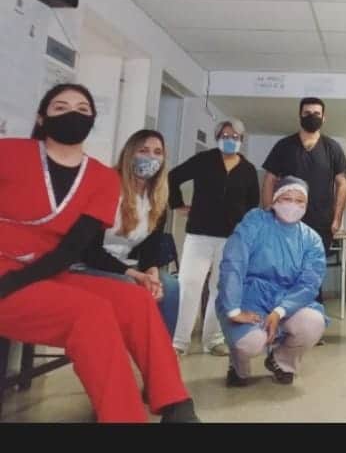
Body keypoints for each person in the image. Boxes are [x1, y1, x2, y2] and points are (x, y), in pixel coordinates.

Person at [0, 84, 198, 422]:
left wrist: (17, 281)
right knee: (91, 312)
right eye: (60, 107)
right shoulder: (10, 153)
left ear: (92, 120)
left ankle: (174, 402)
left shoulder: (102, 178)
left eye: (82, 109)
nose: (72, 114)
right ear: (42, 117)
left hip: (47, 271)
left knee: (135, 300)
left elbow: (72, 248)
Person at [217, 177, 326, 387]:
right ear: (275, 200)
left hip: (287, 300)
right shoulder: (255, 222)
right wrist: (233, 309)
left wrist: (280, 311)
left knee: (313, 323)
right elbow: (234, 262)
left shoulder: (311, 239)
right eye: (287, 199)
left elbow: (309, 283)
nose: (293, 205)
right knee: (249, 343)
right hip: (248, 298)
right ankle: (238, 367)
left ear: (306, 205)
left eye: (299, 201)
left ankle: (282, 362)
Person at [168, 119, 259, 356]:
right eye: (225, 136)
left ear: (241, 140)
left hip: (231, 239)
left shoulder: (248, 170)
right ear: (217, 137)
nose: (230, 140)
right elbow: (172, 177)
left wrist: (247, 236)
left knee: (220, 290)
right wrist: (177, 204)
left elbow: (252, 206)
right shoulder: (203, 160)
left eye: (235, 137)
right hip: (199, 235)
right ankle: (179, 342)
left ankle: (213, 340)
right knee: (189, 285)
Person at [75, 129, 179, 335]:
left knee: (170, 286)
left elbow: (150, 248)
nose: (151, 157)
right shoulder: (107, 186)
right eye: (143, 150)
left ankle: (161, 350)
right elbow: (89, 251)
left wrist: (152, 273)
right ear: (130, 154)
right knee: (131, 286)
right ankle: (124, 348)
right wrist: (136, 275)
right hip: (87, 264)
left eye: (157, 152)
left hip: (125, 265)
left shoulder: (157, 199)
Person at [261, 97, 346, 303]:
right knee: (285, 272)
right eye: (307, 113)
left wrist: (337, 218)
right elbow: (269, 179)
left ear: (324, 118)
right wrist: (268, 212)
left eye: (316, 114)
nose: (312, 117)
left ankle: (312, 319)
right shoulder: (284, 146)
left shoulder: (332, 148)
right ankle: (283, 317)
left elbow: (342, 183)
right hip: (286, 222)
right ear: (300, 116)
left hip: (321, 224)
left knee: (312, 275)